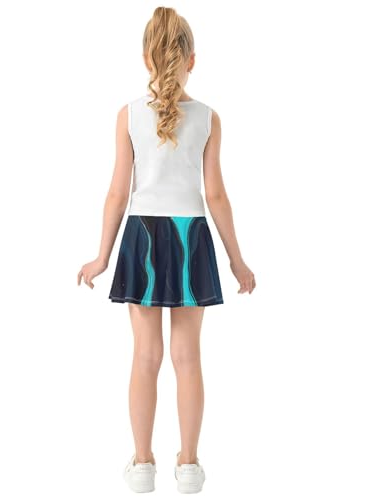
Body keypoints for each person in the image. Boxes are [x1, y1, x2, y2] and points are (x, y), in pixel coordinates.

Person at [77, 6, 256, 494]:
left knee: (145, 356)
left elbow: (118, 192)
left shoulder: (128, 115)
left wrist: (102, 256)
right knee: (187, 357)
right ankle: (189, 465)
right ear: (192, 59)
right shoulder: (209, 119)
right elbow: (215, 195)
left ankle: (142, 464)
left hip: (142, 237)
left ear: (145, 59)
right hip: (190, 236)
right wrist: (237, 261)